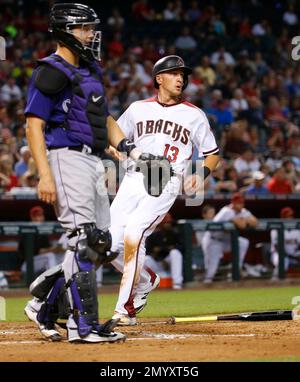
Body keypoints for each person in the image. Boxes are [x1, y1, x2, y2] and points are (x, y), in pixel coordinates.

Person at [23, 3, 157, 343]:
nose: (90, 34)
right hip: (65, 157)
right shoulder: (49, 70)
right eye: (84, 28)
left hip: (95, 160)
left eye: (90, 28)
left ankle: (46, 305)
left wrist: (131, 149)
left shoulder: (89, 70)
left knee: (100, 245)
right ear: (66, 31)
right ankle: (81, 328)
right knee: (85, 241)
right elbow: (33, 125)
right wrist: (44, 174)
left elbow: (104, 119)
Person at [109, 54, 220, 325]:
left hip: (166, 180)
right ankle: (147, 280)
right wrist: (117, 152)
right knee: (109, 245)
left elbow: (213, 153)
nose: (181, 78)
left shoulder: (194, 114)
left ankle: (125, 309)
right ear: (159, 78)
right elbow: (114, 137)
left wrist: (201, 174)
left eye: (183, 74)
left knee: (135, 233)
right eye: (174, 73)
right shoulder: (137, 109)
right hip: (134, 178)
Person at [201, 193, 258, 283]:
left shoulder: (242, 211)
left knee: (243, 242)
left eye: (242, 203)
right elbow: (242, 225)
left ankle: (237, 267)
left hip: (226, 241)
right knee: (211, 271)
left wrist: (244, 219)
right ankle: (204, 286)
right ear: (233, 203)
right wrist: (245, 220)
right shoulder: (226, 211)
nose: (241, 205)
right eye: (238, 203)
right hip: (213, 240)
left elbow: (255, 222)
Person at [19, 206, 66, 276]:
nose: (41, 218)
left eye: (41, 215)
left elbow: (47, 249)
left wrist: (58, 250)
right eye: (38, 216)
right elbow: (37, 251)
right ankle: (54, 280)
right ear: (32, 218)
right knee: (49, 256)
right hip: (27, 265)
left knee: (61, 256)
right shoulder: (27, 231)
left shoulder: (43, 232)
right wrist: (53, 249)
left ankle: (63, 278)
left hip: (39, 262)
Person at [144, 213, 183, 290]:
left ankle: (177, 282)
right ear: (161, 223)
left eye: (169, 222)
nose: (168, 224)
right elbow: (147, 252)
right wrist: (159, 259)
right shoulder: (153, 236)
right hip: (157, 264)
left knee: (175, 253)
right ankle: (147, 284)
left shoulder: (174, 234)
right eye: (166, 223)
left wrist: (167, 250)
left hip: (169, 263)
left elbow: (181, 248)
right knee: (146, 259)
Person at [271, 207, 300, 279]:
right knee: (282, 261)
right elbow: (277, 247)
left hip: (295, 254)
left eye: (291, 216)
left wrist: (297, 255)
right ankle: (275, 280)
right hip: (279, 254)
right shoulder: (275, 229)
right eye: (288, 216)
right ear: (283, 218)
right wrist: (292, 257)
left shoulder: (297, 230)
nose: (290, 218)